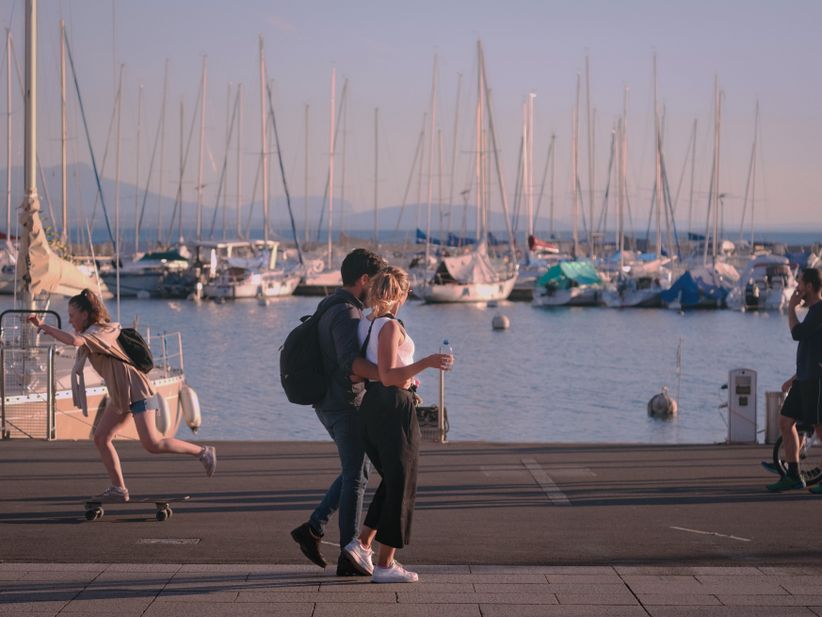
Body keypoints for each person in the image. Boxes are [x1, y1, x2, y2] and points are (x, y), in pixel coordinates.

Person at [28, 289, 216, 502]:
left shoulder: (100, 331)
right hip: (121, 397)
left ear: (85, 314)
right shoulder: (92, 333)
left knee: (152, 444)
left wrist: (46, 327)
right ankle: (119, 488)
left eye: (72, 315)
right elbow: (75, 340)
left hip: (137, 392)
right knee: (101, 437)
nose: (70, 320)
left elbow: (74, 341)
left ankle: (203, 452)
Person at [342, 266, 453, 583]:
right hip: (392, 409)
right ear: (401, 294)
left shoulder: (366, 324)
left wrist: (408, 375)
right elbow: (391, 375)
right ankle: (386, 564)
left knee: (393, 480)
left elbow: (370, 370)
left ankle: (362, 544)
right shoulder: (389, 326)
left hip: (373, 406)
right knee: (403, 482)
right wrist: (427, 362)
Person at [290, 248, 386, 576]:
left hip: (332, 402)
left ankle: (314, 528)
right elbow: (351, 363)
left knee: (355, 470)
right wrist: (390, 373)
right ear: (363, 280)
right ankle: (349, 554)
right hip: (343, 404)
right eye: (377, 282)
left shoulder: (332, 305)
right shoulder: (346, 313)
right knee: (357, 476)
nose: (379, 289)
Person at [767, 267, 822, 492]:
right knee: (785, 421)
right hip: (804, 378)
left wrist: (790, 308)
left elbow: (797, 334)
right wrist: (794, 378)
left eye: (799, 283)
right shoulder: (813, 311)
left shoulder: (819, 311)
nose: (797, 287)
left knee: (820, 429)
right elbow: (813, 348)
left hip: (816, 380)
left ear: (809, 286)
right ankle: (793, 475)